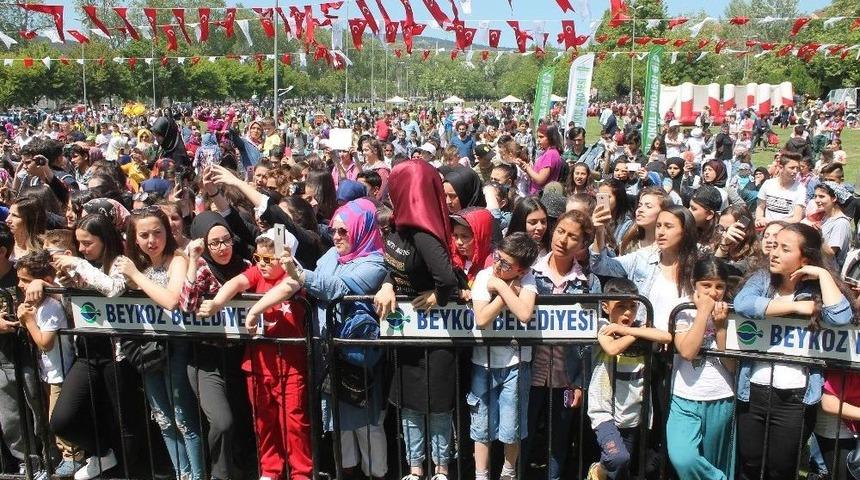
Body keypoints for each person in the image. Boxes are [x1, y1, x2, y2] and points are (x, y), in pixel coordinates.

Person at [250, 198, 389, 480]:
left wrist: (298, 272)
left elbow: (334, 287)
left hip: (359, 362)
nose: (336, 237)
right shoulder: (330, 257)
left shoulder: (374, 261)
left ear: (362, 229)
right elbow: (300, 275)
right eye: (334, 231)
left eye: (343, 231)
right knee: (341, 429)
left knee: (367, 427)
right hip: (329, 359)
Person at [734, 223, 856, 480]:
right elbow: (743, 304)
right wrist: (798, 309)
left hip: (796, 398)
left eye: (784, 248)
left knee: (782, 466)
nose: (774, 252)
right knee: (751, 462)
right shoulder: (762, 279)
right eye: (774, 245)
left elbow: (841, 316)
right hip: (754, 390)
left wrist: (823, 275)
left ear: (805, 258)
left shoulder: (818, 289)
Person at [198, 235, 313, 480]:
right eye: (258, 258)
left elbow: (289, 287)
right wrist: (218, 302)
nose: (261, 263)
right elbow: (236, 282)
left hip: (291, 365)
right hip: (259, 364)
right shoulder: (255, 273)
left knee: (294, 423)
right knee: (264, 421)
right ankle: (271, 470)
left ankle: (301, 473)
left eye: (268, 259)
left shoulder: (294, 273)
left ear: (285, 258)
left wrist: (255, 310)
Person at [374, 160, 459, 480]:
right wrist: (386, 283)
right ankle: (414, 469)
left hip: (434, 338)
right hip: (407, 335)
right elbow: (393, 266)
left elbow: (447, 279)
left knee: (436, 407)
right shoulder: (399, 226)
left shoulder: (424, 234)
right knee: (408, 406)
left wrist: (438, 297)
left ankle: (440, 469)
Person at [117, 207, 204, 480]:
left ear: (168, 232)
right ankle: (182, 473)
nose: (151, 240)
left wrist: (136, 276)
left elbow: (171, 300)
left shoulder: (176, 260)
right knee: (163, 418)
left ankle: (197, 475)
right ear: (135, 237)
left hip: (175, 346)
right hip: (146, 348)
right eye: (144, 235)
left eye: (157, 232)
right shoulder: (136, 262)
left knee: (183, 417)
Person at [525, 210, 600, 480]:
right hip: (529, 373)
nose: (564, 240)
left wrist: (580, 381)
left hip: (566, 379)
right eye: (560, 231)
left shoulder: (590, 283)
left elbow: (589, 341)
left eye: (573, 237)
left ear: (582, 245)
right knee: (524, 434)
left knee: (559, 441)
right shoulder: (530, 273)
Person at [179, 212, 251, 480]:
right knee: (222, 422)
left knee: (243, 421)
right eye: (215, 243)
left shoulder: (245, 265)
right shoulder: (201, 269)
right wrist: (192, 260)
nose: (222, 248)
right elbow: (186, 307)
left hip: (240, 357)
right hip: (206, 359)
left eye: (227, 240)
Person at [470, 232, 541, 480]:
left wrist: (499, 288)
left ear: (521, 271)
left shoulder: (529, 279)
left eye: (506, 264)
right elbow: (481, 318)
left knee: (512, 426)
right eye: (497, 257)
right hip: (483, 363)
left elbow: (523, 312)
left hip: (516, 364)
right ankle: (481, 474)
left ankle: (508, 472)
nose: (497, 265)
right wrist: (506, 291)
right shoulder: (483, 276)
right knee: (481, 424)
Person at [586, 277, 672, 480]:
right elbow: (611, 347)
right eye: (621, 306)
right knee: (617, 458)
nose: (627, 312)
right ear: (606, 307)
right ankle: (596, 470)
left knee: (621, 470)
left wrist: (629, 330)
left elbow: (667, 337)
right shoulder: (603, 325)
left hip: (634, 414)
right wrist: (640, 333)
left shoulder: (636, 328)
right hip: (605, 412)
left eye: (632, 307)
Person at [666, 257, 736, 480]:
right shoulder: (682, 309)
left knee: (715, 459)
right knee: (683, 458)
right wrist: (703, 313)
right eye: (706, 285)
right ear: (694, 283)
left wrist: (721, 329)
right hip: (684, 397)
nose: (713, 292)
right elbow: (687, 352)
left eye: (719, 287)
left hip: (721, 397)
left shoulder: (731, 312)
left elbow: (732, 365)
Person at [15, 250, 79, 476]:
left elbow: (45, 343)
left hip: (60, 371)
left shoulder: (51, 306)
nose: (22, 285)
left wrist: (29, 321)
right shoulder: (38, 305)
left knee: (58, 418)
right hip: (47, 372)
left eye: (26, 280)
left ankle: (74, 457)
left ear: (44, 282)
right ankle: (63, 456)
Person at [592, 204, 699, 330]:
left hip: (682, 342)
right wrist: (599, 231)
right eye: (658, 226)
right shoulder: (641, 259)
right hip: (645, 343)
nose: (661, 232)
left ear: (685, 231)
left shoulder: (699, 269)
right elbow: (599, 265)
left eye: (668, 226)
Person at [755, 152, 806, 227]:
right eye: (792, 168)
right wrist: (759, 218)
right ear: (781, 167)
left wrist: (772, 223)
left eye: (797, 168)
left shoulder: (800, 189)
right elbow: (760, 207)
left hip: (786, 230)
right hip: (766, 229)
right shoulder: (768, 184)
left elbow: (796, 218)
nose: (795, 171)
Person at [812, 182, 852, 268]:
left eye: (821, 196)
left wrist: (818, 235)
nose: (817, 200)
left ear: (834, 198)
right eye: (815, 196)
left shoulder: (841, 223)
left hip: (831, 273)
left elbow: (830, 253)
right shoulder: (826, 217)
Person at [517, 124, 562, 195]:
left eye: (541, 137)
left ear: (551, 137)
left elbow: (540, 179)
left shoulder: (551, 154)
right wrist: (526, 168)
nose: (538, 140)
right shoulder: (547, 152)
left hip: (541, 196)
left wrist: (528, 168)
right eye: (538, 137)